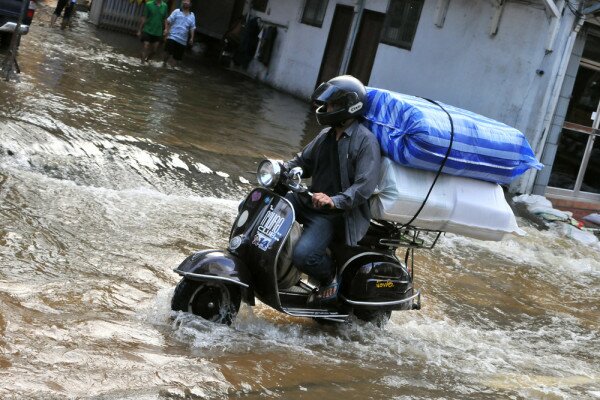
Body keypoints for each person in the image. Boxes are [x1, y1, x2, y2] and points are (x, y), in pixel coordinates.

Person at [285, 75, 381, 305]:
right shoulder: (326, 135)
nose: (324, 108)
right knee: (269, 205)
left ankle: (329, 279)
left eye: (330, 104)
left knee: (304, 256)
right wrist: (282, 169)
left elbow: (364, 188)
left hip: (334, 215)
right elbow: (302, 162)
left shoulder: (365, 142)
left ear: (347, 106)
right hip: (309, 201)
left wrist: (334, 201)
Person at [162, 0, 196, 68]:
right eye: (184, 1)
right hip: (172, 36)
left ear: (190, 4)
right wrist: (166, 30)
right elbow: (168, 21)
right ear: (182, 3)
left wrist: (192, 38)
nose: (185, 2)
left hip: (182, 41)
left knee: (176, 58)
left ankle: (171, 69)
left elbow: (192, 28)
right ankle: (163, 64)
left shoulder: (192, 15)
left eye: (187, 1)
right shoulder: (177, 11)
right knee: (167, 52)